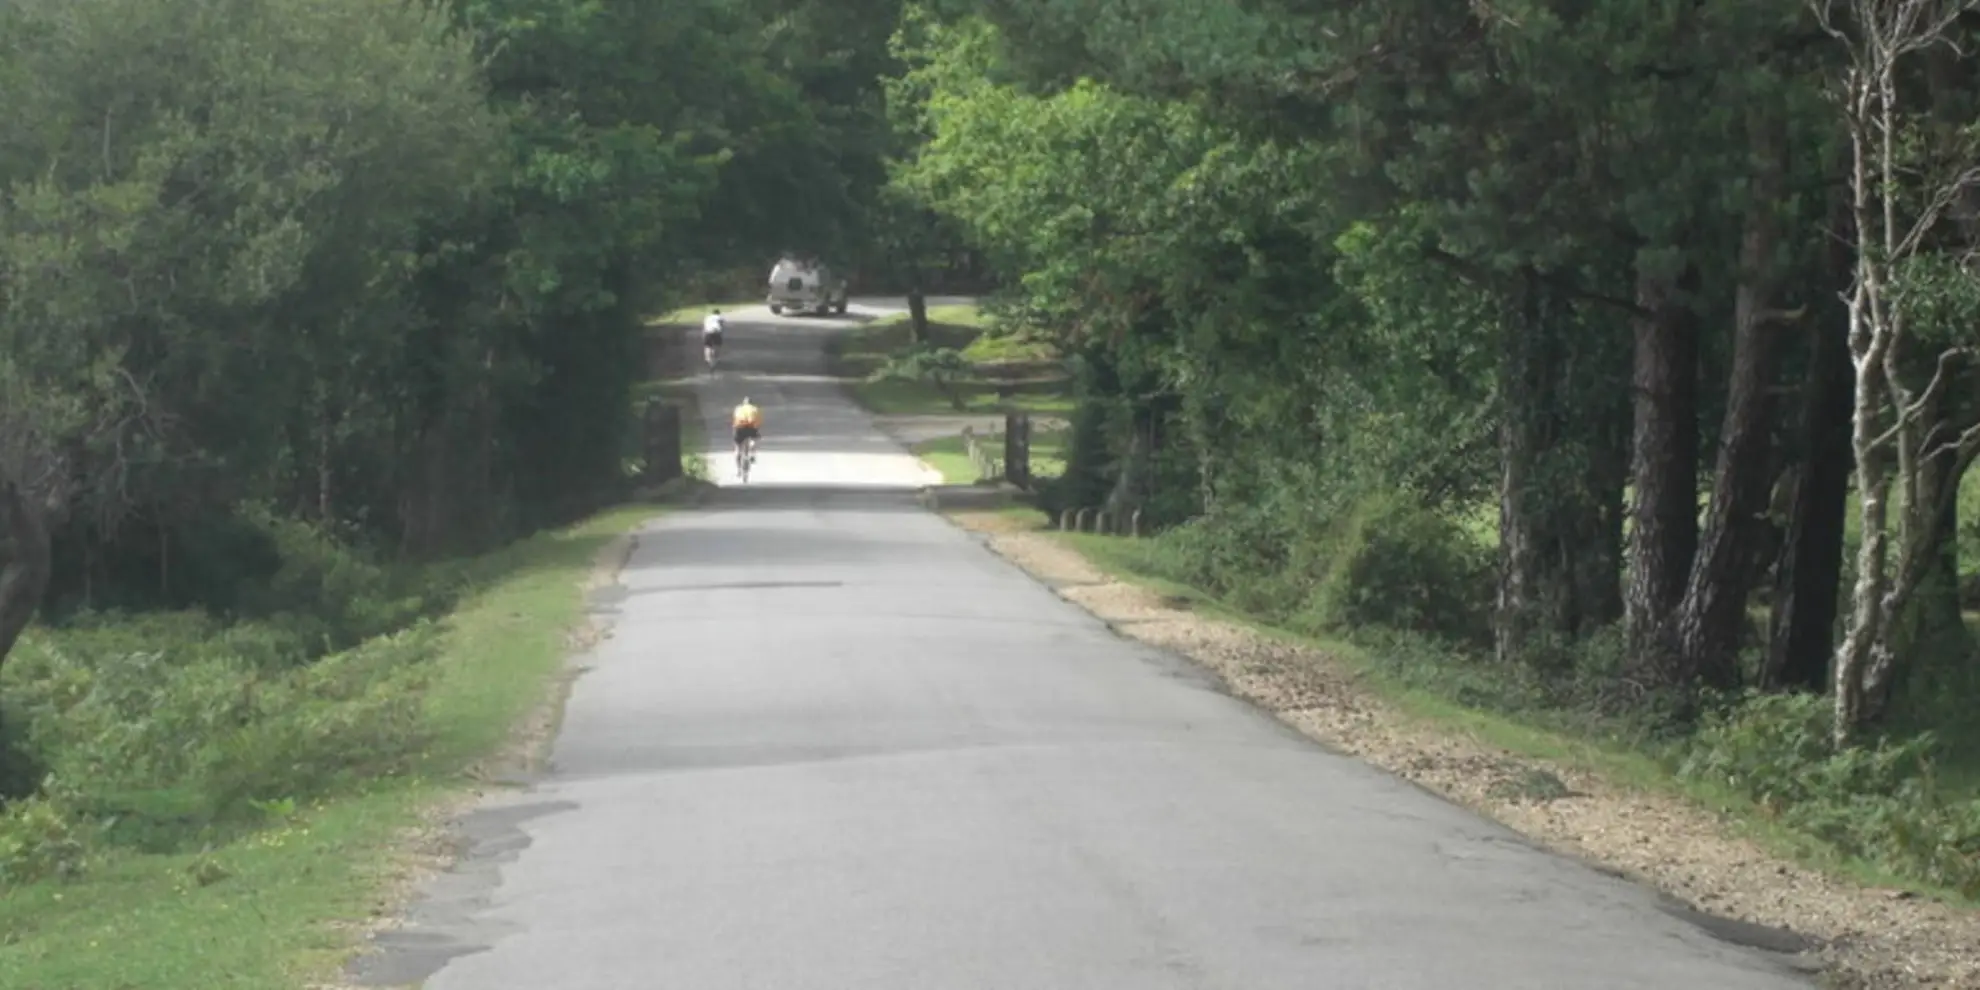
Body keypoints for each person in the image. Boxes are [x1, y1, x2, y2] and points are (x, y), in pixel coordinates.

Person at [731, 395, 762, 471]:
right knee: (754, 439)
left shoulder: (738, 408)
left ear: (743, 403)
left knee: (738, 447)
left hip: (739, 427)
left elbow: (735, 419)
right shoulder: (754, 409)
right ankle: (752, 453)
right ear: (751, 403)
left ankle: (738, 468)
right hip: (751, 427)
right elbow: (758, 421)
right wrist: (756, 430)